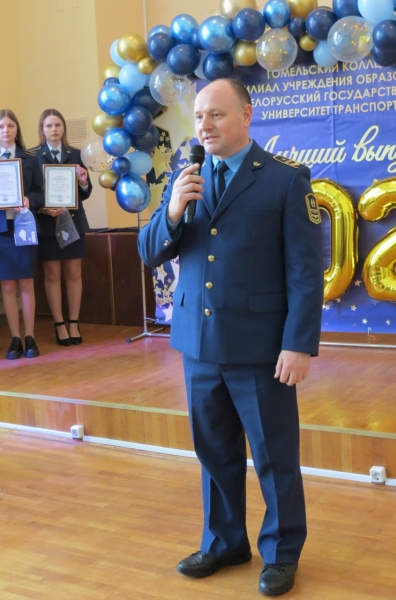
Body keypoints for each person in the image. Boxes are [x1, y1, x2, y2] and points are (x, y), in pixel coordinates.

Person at [137, 79, 323, 596]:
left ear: (246, 115)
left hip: (261, 348)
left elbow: (306, 272)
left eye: (216, 115)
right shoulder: (186, 178)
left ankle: (281, 552)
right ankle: (224, 542)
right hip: (199, 345)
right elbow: (149, 250)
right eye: (199, 116)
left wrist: (298, 343)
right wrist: (172, 212)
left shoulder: (285, 179)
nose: (205, 126)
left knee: (273, 457)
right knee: (214, 453)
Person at [31, 109, 92, 346]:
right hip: (48, 223)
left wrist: (83, 182)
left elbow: (85, 192)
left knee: (74, 273)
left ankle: (74, 322)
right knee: (53, 274)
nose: (54, 129)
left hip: (73, 222)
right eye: (48, 125)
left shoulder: (77, 154)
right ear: (42, 129)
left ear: (64, 127)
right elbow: (33, 193)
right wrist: (42, 208)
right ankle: (59, 323)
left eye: (57, 125)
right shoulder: (33, 156)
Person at [0, 109, 43, 360]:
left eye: (10, 126)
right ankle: (15, 338)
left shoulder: (30, 158)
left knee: (26, 283)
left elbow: (39, 192)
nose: (5, 130)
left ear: (17, 129)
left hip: (24, 227)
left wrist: (28, 200)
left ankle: (30, 336)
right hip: (2, 231)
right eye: (1, 126)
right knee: (7, 285)